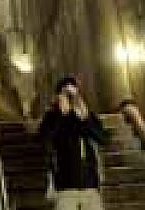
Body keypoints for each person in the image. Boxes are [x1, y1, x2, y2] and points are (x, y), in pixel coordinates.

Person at [37, 75, 110, 210]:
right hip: (65, 187)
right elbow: (44, 139)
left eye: (73, 94)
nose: (70, 98)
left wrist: (85, 119)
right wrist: (61, 114)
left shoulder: (86, 115)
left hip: (90, 186)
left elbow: (104, 139)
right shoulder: (52, 116)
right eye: (66, 94)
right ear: (58, 96)